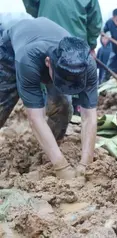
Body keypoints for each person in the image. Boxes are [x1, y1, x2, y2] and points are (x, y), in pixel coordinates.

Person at [0, 17, 98, 180]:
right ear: (48, 63)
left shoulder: (85, 65)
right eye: (61, 81)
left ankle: (49, 153)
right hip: (9, 52)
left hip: (56, 60)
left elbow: (89, 116)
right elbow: (35, 117)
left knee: (63, 106)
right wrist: (62, 167)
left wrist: (85, 163)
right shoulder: (28, 58)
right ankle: (57, 160)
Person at [22, 0, 102, 53]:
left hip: (46, 46)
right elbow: (95, 25)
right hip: (77, 50)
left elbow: (30, 6)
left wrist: (42, 12)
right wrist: (91, 46)